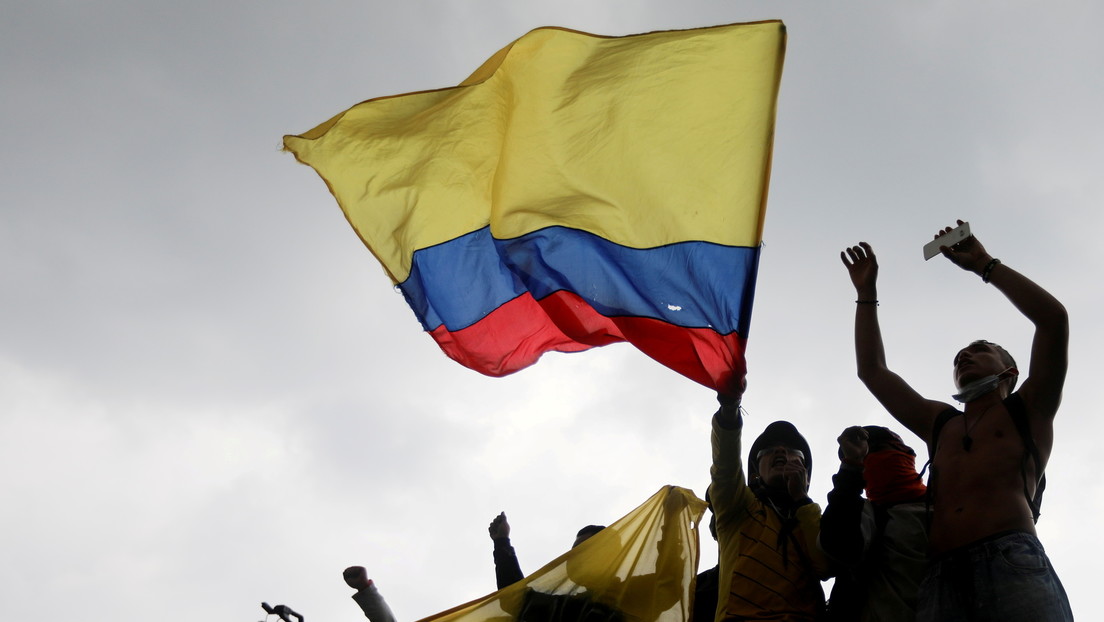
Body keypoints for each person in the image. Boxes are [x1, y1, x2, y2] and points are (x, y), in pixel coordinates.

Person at [840, 222, 1072, 621]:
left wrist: (984, 264)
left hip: (1012, 558)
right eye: (958, 356)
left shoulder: (1029, 409)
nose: (964, 356)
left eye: (980, 349)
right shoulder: (940, 423)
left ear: (1010, 371)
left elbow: (1053, 319)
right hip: (942, 575)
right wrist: (866, 296)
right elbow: (873, 371)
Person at [710, 392, 833, 621]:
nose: (780, 451)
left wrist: (801, 499)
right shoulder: (739, 508)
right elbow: (725, 467)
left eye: (792, 451)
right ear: (755, 474)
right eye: (768, 451)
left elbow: (825, 566)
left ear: (806, 476)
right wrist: (730, 408)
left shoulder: (810, 518)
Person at [819, 426, 928, 621]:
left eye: (880, 448)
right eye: (867, 456)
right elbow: (839, 545)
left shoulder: (948, 505)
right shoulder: (866, 514)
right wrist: (851, 467)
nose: (874, 458)